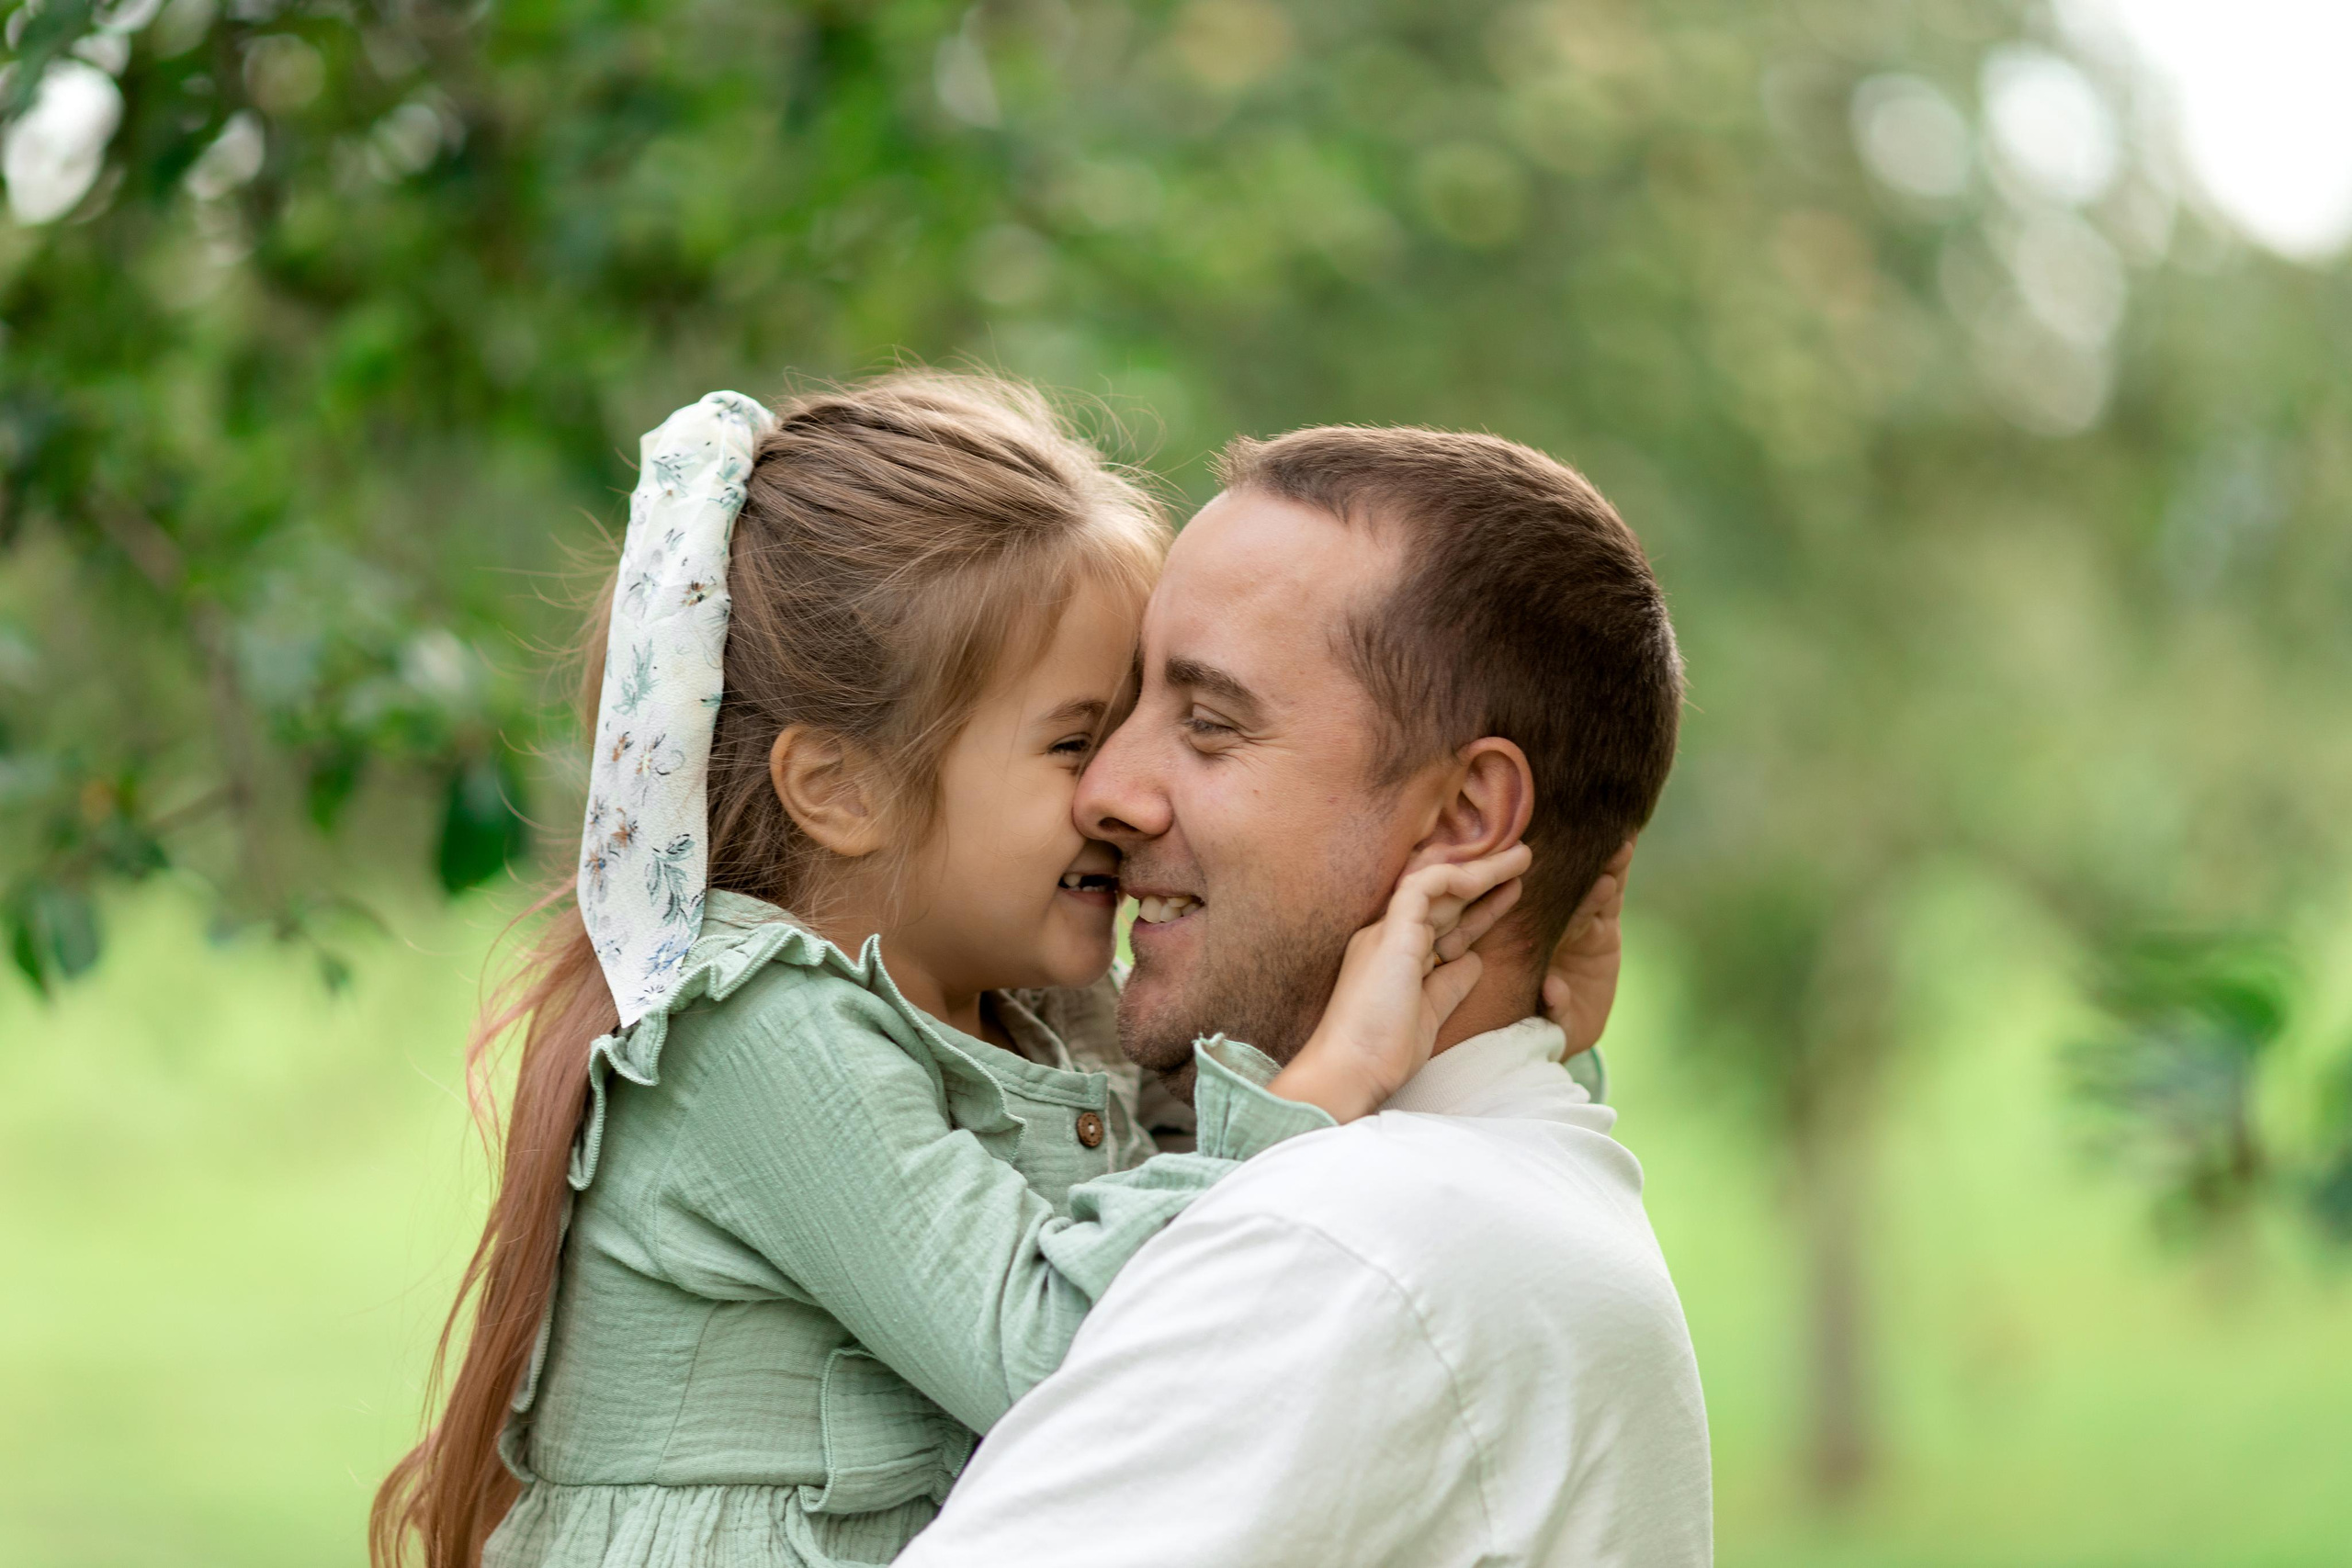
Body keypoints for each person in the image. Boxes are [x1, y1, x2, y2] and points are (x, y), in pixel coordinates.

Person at [368, 372, 1533, 1568]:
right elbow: (1063, 1358)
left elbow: (1182, 1207)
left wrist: (1507, 989)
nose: (1119, 791)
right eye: (1076, 739)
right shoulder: (758, 1036)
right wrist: (1325, 1080)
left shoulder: (1036, 1011)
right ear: (841, 789)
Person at [899, 425, 1711, 1567]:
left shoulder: (1341, 1243)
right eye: (1121, 712)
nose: (1106, 790)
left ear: (1464, 819)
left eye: (1208, 724)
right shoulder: (1538, 1199)